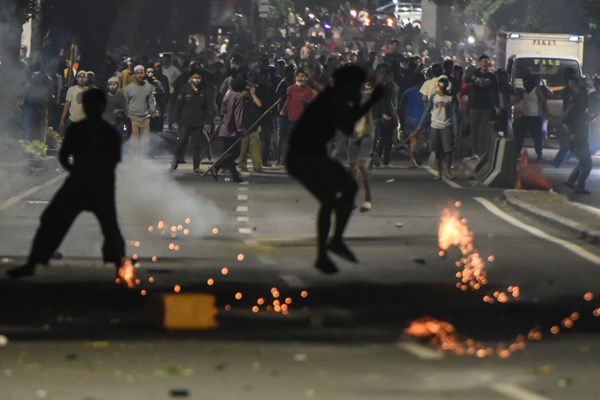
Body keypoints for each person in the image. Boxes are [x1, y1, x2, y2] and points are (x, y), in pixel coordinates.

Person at [6, 89, 137, 288]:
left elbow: (113, 161)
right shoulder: (81, 130)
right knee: (51, 219)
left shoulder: (108, 132)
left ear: (101, 107)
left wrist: (87, 172)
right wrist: (79, 172)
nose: (91, 108)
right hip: (82, 184)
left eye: (94, 104)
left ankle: (121, 267)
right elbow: (64, 156)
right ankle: (34, 263)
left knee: (110, 228)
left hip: (97, 185)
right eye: (89, 104)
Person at [286, 65, 383, 274]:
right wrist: (371, 101)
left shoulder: (335, 96)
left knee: (339, 193)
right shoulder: (334, 98)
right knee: (339, 192)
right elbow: (348, 126)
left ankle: (327, 249)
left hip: (311, 155)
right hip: (303, 156)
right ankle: (334, 242)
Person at [170, 69, 213, 173]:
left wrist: (208, 122)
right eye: (195, 78)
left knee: (196, 144)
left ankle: (196, 166)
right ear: (191, 78)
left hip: (198, 122)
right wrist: (174, 120)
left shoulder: (204, 91)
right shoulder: (184, 89)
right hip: (185, 121)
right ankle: (174, 164)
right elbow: (178, 106)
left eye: (199, 78)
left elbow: (207, 108)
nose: (197, 80)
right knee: (181, 142)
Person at [415, 76, 457, 180]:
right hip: (435, 125)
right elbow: (427, 111)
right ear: (438, 85)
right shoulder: (434, 97)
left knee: (448, 151)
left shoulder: (450, 98)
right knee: (436, 150)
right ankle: (439, 172)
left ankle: (448, 171)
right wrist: (421, 124)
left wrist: (455, 129)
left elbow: (454, 114)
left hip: (446, 125)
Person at [208, 76, 247, 183]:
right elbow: (238, 114)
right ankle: (216, 166)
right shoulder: (238, 97)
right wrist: (241, 129)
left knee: (228, 151)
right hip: (232, 128)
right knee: (234, 152)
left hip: (224, 125)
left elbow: (222, 110)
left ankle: (235, 176)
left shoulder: (227, 94)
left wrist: (223, 121)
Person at [349, 76, 377, 212]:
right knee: (353, 169)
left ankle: (368, 198)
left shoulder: (365, 97)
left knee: (361, 165)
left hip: (366, 135)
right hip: (354, 137)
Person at [465, 55, 500, 158]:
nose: (485, 63)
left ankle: (482, 153)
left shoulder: (492, 77)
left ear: (489, 64)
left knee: (483, 131)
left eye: (486, 61)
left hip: (487, 106)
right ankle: (474, 152)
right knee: (474, 130)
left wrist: (496, 106)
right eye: (483, 61)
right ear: (480, 63)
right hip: (474, 105)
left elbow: (495, 92)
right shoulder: (475, 74)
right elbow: (466, 80)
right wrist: (471, 76)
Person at [563, 76, 591, 194]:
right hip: (578, 134)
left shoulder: (578, 100)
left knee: (583, 162)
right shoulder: (578, 100)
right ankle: (579, 187)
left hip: (580, 133)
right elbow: (565, 119)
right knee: (587, 164)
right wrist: (571, 133)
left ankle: (570, 181)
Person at [512, 73, 548, 161]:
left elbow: (544, 102)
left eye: (526, 81)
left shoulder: (537, 90)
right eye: (523, 81)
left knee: (537, 137)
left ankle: (539, 154)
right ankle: (517, 152)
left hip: (535, 117)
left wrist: (547, 113)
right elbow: (516, 100)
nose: (524, 83)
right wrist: (505, 106)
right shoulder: (523, 92)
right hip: (525, 116)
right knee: (519, 134)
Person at [123, 64, 156, 157]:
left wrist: (152, 112)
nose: (140, 75)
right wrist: (126, 115)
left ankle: (143, 160)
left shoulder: (148, 87)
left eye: (142, 73)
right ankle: (132, 159)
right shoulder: (129, 88)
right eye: (138, 73)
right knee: (133, 141)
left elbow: (151, 101)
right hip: (132, 117)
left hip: (145, 117)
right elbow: (125, 102)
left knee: (145, 142)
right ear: (135, 74)